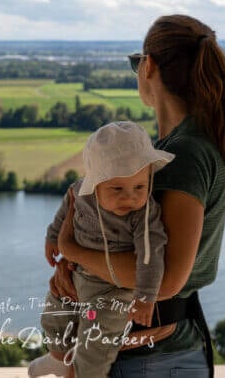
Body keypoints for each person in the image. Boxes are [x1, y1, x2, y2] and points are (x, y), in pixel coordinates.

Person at [50, 15, 225, 377]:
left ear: (149, 67)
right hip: (155, 354)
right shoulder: (179, 146)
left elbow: (169, 278)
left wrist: (73, 250)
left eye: (136, 64)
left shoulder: (184, 155)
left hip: (152, 357)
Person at [27, 120, 175, 378]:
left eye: (139, 187)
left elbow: (151, 255)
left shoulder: (144, 214)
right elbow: (66, 210)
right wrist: (52, 237)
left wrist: (145, 297)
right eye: (117, 188)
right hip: (76, 273)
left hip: (112, 290)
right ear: (94, 183)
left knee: (97, 340)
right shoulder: (80, 193)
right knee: (55, 311)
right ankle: (58, 359)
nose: (129, 197)